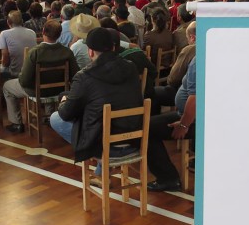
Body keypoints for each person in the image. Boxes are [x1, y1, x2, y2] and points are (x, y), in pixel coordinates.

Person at [49, 27, 143, 163]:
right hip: (134, 139)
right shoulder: (131, 67)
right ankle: (102, 170)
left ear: (90, 51)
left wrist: (63, 101)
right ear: (113, 47)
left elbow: (66, 114)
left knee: (56, 118)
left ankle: (97, 156)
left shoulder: (84, 76)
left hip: (104, 144)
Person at [2, 20, 78, 133]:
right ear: (59, 34)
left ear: (43, 32)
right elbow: (75, 75)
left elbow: (25, 80)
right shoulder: (67, 52)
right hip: (60, 90)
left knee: (7, 86)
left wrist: (22, 77)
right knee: (47, 81)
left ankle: (16, 123)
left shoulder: (34, 52)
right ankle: (49, 117)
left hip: (36, 91)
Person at [146, 55, 196, 191]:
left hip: (193, 120)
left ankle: (168, 179)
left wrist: (184, 125)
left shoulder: (199, 60)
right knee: (150, 124)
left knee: (146, 128)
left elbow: (195, 98)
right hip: (193, 116)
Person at [0, 10, 37, 80]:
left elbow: (5, 60)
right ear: (22, 21)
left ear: (8, 22)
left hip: (14, 73)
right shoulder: (32, 32)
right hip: (31, 72)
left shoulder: (4, 34)